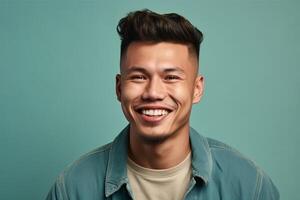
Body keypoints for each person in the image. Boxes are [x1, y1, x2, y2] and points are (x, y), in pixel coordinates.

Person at [46, 9, 279, 200]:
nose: (153, 93)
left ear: (196, 89)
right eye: (138, 76)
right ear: (119, 88)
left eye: (171, 77)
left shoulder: (249, 186)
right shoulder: (72, 189)